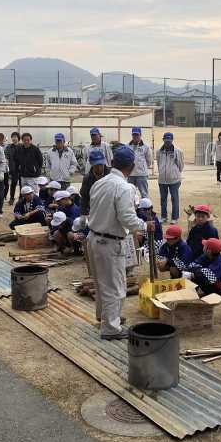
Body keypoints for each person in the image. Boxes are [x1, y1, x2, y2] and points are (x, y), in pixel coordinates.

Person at [85, 145, 145, 339]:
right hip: (109, 242)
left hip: (94, 238)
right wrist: (143, 225)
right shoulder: (125, 187)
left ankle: (107, 318)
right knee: (115, 287)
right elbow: (127, 218)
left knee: (101, 282)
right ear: (132, 166)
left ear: (112, 163)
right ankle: (111, 328)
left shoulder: (100, 183)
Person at [157, 132, 184, 224]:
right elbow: (159, 163)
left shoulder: (178, 151)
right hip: (162, 180)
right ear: (163, 139)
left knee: (174, 198)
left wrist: (175, 173)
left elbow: (181, 165)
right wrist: (161, 172)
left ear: (172, 140)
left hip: (174, 180)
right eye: (166, 140)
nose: (167, 142)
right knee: (163, 199)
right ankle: (164, 217)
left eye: (169, 140)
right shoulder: (159, 151)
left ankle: (174, 217)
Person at [79, 148, 111, 215]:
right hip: (94, 210)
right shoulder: (87, 179)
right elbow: (84, 198)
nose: (99, 168)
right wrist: (83, 214)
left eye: (101, 165)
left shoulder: (111, 176)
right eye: (96, 165)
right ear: (91, 164)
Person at [128, 126, 152, 198]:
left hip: (141, 175)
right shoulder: (127, 146)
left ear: (140, 135)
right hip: (130, 175)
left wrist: (143, 168)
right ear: (132, 135)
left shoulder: (146, 147)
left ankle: (146, 208)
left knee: (144, 194)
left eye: (137, 135)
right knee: (130, 195)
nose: (135, 136)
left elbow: (149, 161)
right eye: (134, 135)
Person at [6, 132, 21, 203]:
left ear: (18, 138)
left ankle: (21, 198)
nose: (14, 138)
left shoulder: (22, 146)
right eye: (13, 137)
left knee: (22, 184)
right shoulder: (9, 147)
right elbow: (6, 157)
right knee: (13, 183)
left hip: (22, 169)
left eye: (15, 137)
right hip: (13, 168)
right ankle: (12, 198)